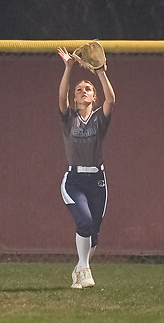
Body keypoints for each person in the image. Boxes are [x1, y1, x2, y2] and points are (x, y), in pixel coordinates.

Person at [57, 46, 116, 289]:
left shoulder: (99, 119)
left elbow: (111, 99)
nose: (83, 91)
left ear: (94, 98)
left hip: (97, 181)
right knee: (84, 221)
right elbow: (61, 98)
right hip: (74, 180)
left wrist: (100, 72)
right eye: (79, 89)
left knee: (94, 232)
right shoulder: (69, 118)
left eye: (88, 89)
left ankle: (80, 269)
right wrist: (68, 68)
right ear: (74, 98)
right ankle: (84, 269)